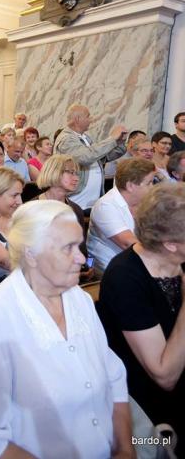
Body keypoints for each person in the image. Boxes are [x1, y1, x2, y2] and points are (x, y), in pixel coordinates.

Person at [0, 200, 132, 459]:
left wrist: (125, 449)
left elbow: (113, 378)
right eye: (68, 248)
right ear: (30, 254)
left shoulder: (78, 299)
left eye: (78, 245)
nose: (81, 259)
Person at [98, 183, 185, 455]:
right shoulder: (125, 277)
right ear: (170, 244)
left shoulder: (178, 258)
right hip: (152, 411)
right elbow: (164, 376)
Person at [87, 158, 155, 273]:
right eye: (149, 183)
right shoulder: (105, 205)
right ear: (130, 186)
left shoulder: (146, 202)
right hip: (106, 267)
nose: (153, 187)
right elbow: (128, 243)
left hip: (135, 261)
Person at [54, 104, 127, 210]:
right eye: (88, 116)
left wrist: (119, 143)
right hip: (75, 199)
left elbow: (102, 157)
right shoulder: (66, 138)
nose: (91, 120)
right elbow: (85, 157)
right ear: (78, 119)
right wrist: (111, 139)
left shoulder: (85, 138)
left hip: (91, 202)